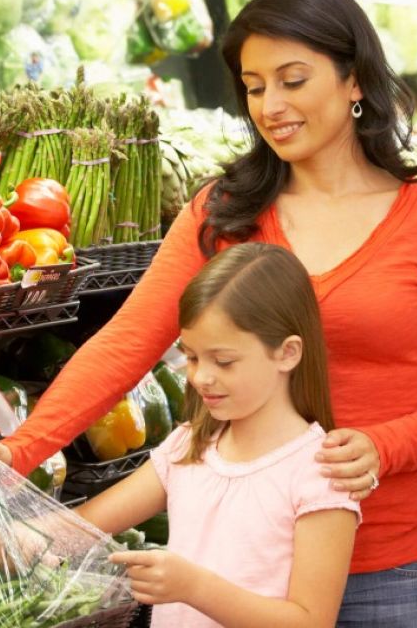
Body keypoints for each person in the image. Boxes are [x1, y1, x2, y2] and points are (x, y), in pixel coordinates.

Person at [0, 0, 417, 627]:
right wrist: (21, 449)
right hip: (241, 573)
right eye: (255, 85)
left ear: (355, 80)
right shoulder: (223, 213)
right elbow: (128, 344)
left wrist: (384, 447)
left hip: (393, 569)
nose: (271, 105)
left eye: (293, 80)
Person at [75, 243, 360, 627]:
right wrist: (32, 534)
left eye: (223, 361)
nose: (199, 378)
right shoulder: (189, 446)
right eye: (191, 357)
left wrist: (193, 587)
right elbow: (86, 524)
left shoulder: (320, 473)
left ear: (288, 353)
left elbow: (310, 621)